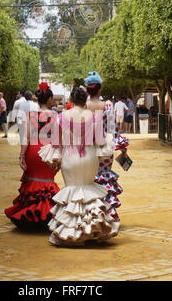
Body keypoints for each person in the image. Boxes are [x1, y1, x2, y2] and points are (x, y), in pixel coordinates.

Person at [38, 86, 120, 246]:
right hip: (89, 157)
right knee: (88, 189)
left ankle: (71, 232)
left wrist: (55, 160)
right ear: (85, 100)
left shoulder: (61, 116)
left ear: (71, 100)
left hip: (70, 157)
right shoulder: (94, 116)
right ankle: (90, 229)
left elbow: (56, 142)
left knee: (72, 191)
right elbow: (101, 142)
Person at [5, 83, 60, 229]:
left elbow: (27, 137)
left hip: (33, 151)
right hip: (48, 151)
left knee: (33, 179)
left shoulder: (32, 115)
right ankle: (46, 214)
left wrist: (22, 155)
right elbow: (57, 137)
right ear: (48, 99)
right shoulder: (54, 115)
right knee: (47, 180)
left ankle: (29, 214)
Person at [85, 71, 129, 220]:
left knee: (88, 179)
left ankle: (89, 213)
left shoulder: (83, 106)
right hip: (104, 148)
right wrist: (122, 146)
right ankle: (106, 213)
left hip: (85, 149)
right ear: (100, 89)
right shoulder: (106, 106)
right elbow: (112, 130)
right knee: (104, 177)